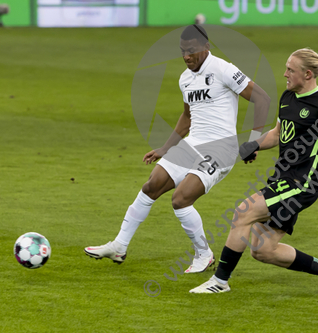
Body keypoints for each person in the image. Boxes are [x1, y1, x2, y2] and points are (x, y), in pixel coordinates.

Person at [190, 48, 318, 293]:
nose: (284, 74)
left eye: (290, 70)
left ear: (307, 74)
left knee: (243, 213)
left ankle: (219, 282)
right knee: (263, 250)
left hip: (302, 184)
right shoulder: (288, 96)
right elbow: (278, 134)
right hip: (282, 178)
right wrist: (255, 144)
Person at [84, 25, 270, 273]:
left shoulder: (223, 69)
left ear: (206, 47)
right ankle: (119, 245)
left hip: (220, 149)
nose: (186, 56)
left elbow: (262, 98)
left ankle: (204, 254)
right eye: (182, 51)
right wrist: (164, 148)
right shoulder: (185, 78)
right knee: (152, 185)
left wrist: (254, 141)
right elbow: (187, 117)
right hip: (193, 143)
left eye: (191, 50)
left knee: (181, 199)